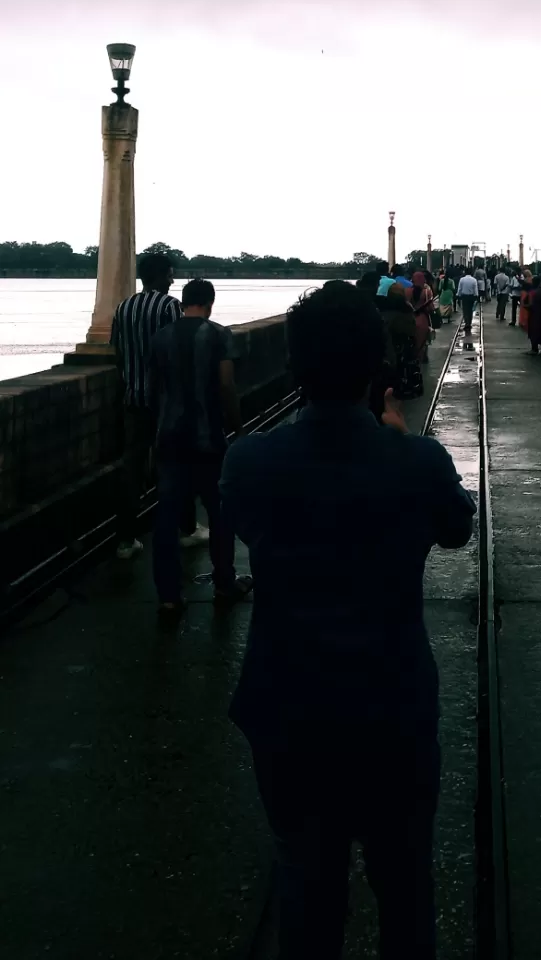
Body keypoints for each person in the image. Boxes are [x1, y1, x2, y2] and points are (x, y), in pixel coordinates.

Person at [220, 283, 476, 959]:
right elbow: (456, 531)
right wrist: (396, 442)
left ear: (294, 366)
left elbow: (244, 523)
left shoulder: (249, 463)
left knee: (306, 882)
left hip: (288, 710)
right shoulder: (416, 461)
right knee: (404, 884)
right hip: (392, 710)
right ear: (375, 367)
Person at [147, 278, 253, 614]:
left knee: (166, 518)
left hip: (169, 437)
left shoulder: (160, 338)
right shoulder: (218, 335)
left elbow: (155, 391)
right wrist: (237, 429)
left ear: (182, 302)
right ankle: (224, 583)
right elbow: (226, 384)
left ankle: (168, 596)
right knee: (220, 513)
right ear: (209, 302)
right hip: (208, 439)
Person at [110, 251, 206, 559]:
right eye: (169, 274)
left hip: (133, 398)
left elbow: (118, 352)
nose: (172, 280)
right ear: (161, 276)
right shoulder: (170, 307)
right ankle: (186, 528)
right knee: (178, 462)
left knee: (132, 467)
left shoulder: (123, 308)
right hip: (168, 401)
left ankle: (126, 540)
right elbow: (182, 350)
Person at [411, 271, 435, 362]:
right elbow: (431, 308)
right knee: (424, 340)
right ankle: (422, 357)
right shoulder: (426, 291)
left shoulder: (407, 291)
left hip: (411, 318)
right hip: (423, 318)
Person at [526, 275, 541, 355]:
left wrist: (525, 306)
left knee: (533, 331)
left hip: (534, 314)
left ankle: (534, 349)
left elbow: (529, 304)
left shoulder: (532, 292)